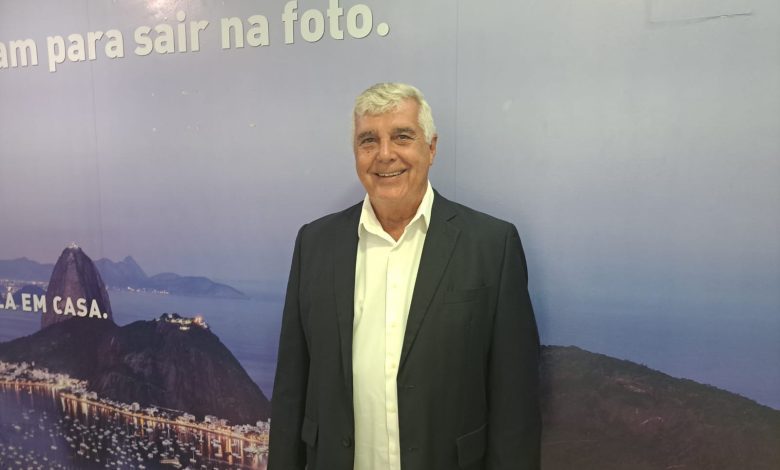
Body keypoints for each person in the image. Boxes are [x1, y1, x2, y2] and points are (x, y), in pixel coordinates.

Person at [269, 82, 541, 470]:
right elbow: (291, 389)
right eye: (368, 140)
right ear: (356, 153)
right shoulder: (315, 244)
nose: (385, 154)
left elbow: (515, 405)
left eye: (402, 136)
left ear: (431, 148)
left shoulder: (492, 245)